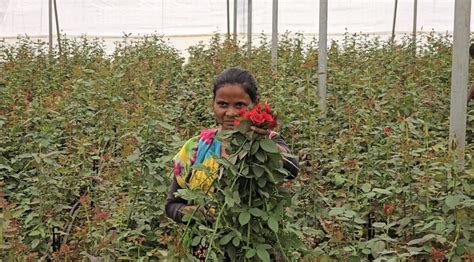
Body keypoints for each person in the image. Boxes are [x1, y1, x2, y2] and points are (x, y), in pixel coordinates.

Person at [165, 67, 300, 224]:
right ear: (213, 104)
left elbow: (292, 169)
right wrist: (192, 213)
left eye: (240, 105)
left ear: (255, 105)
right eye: (222, 104)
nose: (230, 113)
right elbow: (171, 205)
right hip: (205, 243)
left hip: (257, 239)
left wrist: (263, 143)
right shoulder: (197, 147)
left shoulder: (269, 141)